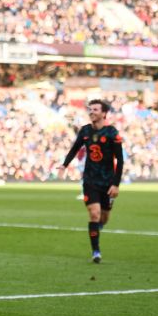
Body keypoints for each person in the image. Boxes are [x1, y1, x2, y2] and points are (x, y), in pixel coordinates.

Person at [58, 99, 124, 263]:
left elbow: (120, 160)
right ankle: (96, 252)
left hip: (108, 182)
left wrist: (116, 184)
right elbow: (75, 149)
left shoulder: (112, 133)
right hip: (90, 180)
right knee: (94, 214)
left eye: (95, 109)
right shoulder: (85, 131)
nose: (92, 112)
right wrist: (64, 165)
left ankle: (101, 223)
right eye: (90, 109)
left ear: (103, 113)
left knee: (104, 218)